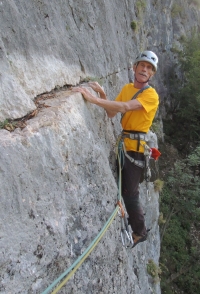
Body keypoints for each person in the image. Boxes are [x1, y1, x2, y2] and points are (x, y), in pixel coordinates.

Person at [72, 50, 159, 247]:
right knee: (126, 189)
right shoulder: (128, 88)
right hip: (125, 144)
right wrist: (101, 94)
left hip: (136, 149)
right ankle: (138, 227)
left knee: (130, 193)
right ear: (134, 67)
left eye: (149, 68)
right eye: (142, 65)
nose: (144, 70)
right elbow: (113, 112)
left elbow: (125, 107)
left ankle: (140, 231)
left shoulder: (151, 95)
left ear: (151, 74)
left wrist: (93, 99)